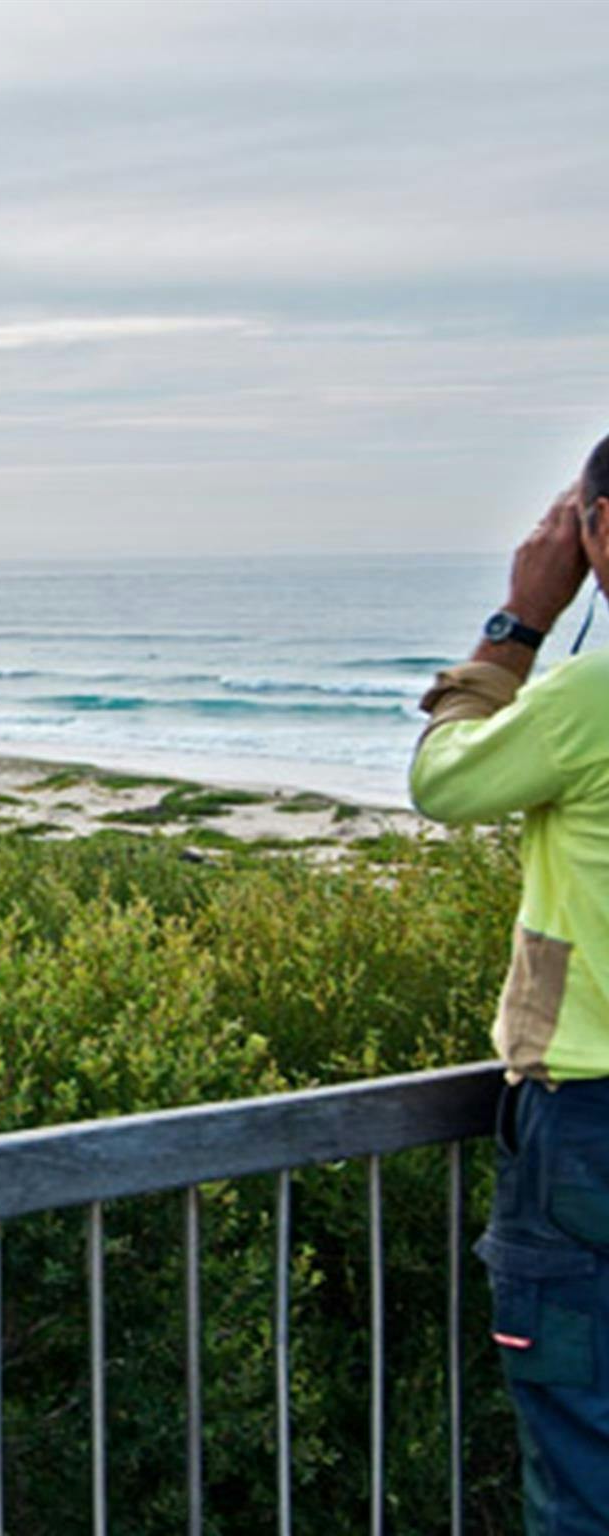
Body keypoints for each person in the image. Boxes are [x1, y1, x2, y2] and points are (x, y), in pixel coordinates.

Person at [413, 440, 609, 1534]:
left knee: (582, 1448)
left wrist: (516, 625)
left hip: (588, 1120)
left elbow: (443, 780)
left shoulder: (587, 694)